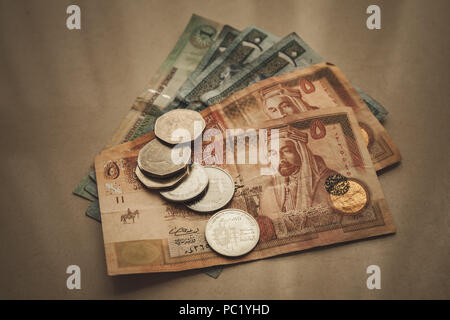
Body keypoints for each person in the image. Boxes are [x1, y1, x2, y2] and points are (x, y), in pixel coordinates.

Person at [259, 126, 336, 231]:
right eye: (273, 153)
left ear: (301, 152)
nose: (280, 159)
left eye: (286, 151)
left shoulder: (331, 180)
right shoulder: (271, 187)